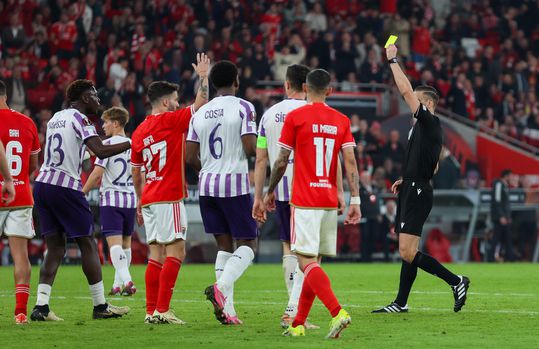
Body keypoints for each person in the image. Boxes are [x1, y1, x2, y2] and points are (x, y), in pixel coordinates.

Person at [261, 69, 361, 338]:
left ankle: (337, 312)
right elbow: (349, 161)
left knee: (304, 261)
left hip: (304, 200)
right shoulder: (341, 120)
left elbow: (281, 160)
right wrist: (355, 199)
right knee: (314, 262)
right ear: (330, 90)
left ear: (305, 88)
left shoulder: (296, 117)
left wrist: (269, 191)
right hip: (329, 200)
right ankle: (298, 324)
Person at [372, 45, 470, 314]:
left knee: (406, 251)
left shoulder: (430, 122)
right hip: (413, 186)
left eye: (416, 101)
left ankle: (456, 281)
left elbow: (404, 90)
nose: (409, 103)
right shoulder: (426, 130)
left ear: (427, 104)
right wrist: (407, 178)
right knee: (409, 249)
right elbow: (434, 165)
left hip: (418, 190)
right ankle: (401, 302)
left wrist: (392, 59)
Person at [31, 79, 131, 321]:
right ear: (84, 98)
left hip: (43, 184)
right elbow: (101, 151)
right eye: (94, 95)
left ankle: (41, 306)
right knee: (87, 243)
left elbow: (77, 151)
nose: (98, 100)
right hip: (65, 186)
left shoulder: (56, 117)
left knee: (55, 247)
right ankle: (100, 306)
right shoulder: (80, 118)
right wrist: (130, 144)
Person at [131, 53, 210, 325]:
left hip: (150, 197)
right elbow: (201, 102)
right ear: (165, 102)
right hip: (169, 195)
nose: (178, 103)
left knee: (156, 254)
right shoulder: (172, 120)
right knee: (177, 252)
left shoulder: (139, 131)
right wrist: (203, 75)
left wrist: (139, 200)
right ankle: (163, 309)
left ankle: (151, 310)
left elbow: (136, 169)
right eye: (175, 99)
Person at [186, 60, 257, 325]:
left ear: (214, 84)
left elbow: (190, 156)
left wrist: (208, 170)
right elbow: (250, 148)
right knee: (249, 244)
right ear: (236, 81)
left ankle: (228, 311)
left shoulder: (199, 114)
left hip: (207, 186)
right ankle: (221, 288)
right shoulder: (244, 107)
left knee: (224, 246)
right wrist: (263, 146)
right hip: (234, 185)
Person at [252, 64, 320, 329]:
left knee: (288, 249)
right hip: (308, 191)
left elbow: (260, 159)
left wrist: (259, 195)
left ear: (287, 85)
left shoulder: (268, 115)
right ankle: (293, 311)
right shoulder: (313, 113)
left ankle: (292, 310)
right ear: (307, 86)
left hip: (279, 191)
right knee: (310, 254)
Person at [82, 107, 136, 296]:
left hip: (112, 199)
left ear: (116, 123)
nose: (103, 126)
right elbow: (139, 174)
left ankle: (128, 281)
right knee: (126, 244)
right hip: (130, 200)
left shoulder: (108, 145)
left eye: (105, 122)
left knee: (114, 244)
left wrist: (82, 193)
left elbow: (97, 174)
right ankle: (117, 284)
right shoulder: (133, 144)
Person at [0, 80, 40, 324]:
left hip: (4, 190)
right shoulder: (27, 122)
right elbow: (33, 165)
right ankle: (21, 312)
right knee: (21, 256)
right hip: (21, 194)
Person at [489, 169, 514, 262]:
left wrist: (508, 216)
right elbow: (497, 201)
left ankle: (509, 257)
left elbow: (505, 204)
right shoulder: (499, 184)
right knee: (497, 238)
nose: (512, 178)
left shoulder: (505, 186)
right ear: (506, 176)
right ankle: (491, 257)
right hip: (500, 217)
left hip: (505, 217)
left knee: (507, 237)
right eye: (511, 175)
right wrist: (501, 216)